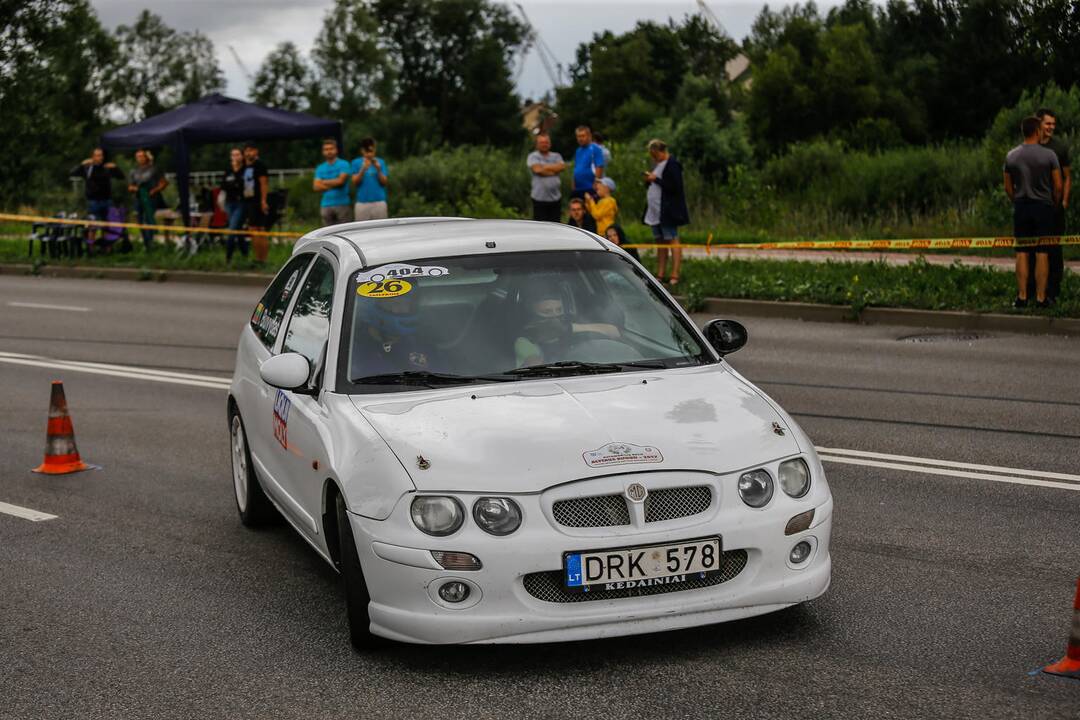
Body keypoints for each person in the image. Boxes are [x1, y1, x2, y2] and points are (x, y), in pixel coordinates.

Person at [1004, 116, 1062, 308]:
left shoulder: (1011, 156)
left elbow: (1007, 186)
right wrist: (1054, 202)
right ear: (1037, 131)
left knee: (1021, 252)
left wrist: (1017, 199)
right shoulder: (1049, 155)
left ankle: (1021, 297)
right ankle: (1040, 297)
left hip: (1021, 206)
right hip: (1043, 207)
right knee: (1042, 252)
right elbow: (1058, 185)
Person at [514, 285, 619, 367]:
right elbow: (536, 369)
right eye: (546, 312)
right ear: (532, 314)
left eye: (559, 310)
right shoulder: (525, 341)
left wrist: (569, 328)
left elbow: (614, 332)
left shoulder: (572, 324)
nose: (555, 315)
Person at [643, 139, 690, 287]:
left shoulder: (673, 165)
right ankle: (661, 273)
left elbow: (674, 187)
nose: (653, 158)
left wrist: (656, 179)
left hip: (668, 211)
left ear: (661, 151)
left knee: (672, 239)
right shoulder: (657, 165)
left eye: (655, 154)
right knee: (660, 242)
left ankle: (675, 273)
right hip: (655, 211)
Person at [1037, 108, 1071, 302]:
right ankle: (1035, 290)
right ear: (1039, 123)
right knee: (1034, 249)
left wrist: (1064, 201)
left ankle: (1053, 290)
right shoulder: (1031, 146)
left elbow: (1067, 177)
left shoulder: (1059, 148)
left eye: (1053, 124)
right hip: (1035, 205)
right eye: (1048, 123)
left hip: (1055, 206)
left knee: (1054, 250)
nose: (1051, 127)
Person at [70, 147, 124, 247]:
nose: (100, 158)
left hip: (106, 200)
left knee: (107, 226)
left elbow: (121, 176)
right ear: (93, 157)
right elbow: (72, 173)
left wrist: (116, 168)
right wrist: (81, 164)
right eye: (97, 155)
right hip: (93, 202)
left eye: (101, 155)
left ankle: (106, 248)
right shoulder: (87, 168)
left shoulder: (107, 168)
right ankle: (91, 248)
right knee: (93, 226)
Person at [127, 148, 167, 251]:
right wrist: (135, 189)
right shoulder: (134, 171)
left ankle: (150, 244)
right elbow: (130, 186)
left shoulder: (154, 169)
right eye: (138, 157)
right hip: (139, 198)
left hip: (151, 198)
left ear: (146, 157)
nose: (140, 158)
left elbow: (164, 183)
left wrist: (155, 190)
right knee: (140, 221)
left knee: (148, 219)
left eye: (141, 156)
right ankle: (146, 242)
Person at [242, 141, 270, 263]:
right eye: (247, 151)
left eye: (251, 150)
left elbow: (264, 184)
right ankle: (257, 257)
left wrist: (263, 201)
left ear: (256, 152)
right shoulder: (244, 167)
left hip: (257, 201)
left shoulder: (260, 165)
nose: (249, 153)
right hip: (248, 201)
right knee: (252, 229)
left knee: (260, 229)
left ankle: (262, 258)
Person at [527, 133, 565, 222]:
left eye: (546, 142)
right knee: (540, 228)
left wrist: (543, 167)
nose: (544, 144)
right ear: (537, 144)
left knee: (556, 226)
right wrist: (554, 170)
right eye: (541, 142)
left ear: (550, 143)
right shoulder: (533, 156)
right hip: (539, 199)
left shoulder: (557, 155)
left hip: (556, 199)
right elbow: (537, 170)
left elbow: (562, 167)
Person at [314, 138, 352, 226]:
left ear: (336, 150)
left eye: (331, 149)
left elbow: (341, 181)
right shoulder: (320, 167)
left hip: (342, 204)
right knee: (328, 235)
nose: (329, 151)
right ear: (323, 152)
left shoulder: (344, 164)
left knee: (344, 232)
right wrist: (335, 182)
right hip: (325, 204)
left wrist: (323, 182)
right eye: (326, 149)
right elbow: (316, 186)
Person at [351, 137, 389, 221]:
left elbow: (384, 182)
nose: (369, 154)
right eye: (367, 151)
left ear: (375, 150)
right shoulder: (355, 162)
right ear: (362, 150)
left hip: (379, 202)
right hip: (362, 203)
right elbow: (355, 182)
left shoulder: (381, 162)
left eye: (371, 151)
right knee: (361, 230)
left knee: (381, 229)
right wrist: (362, 169)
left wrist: (378, 169)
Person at [221, 147, 247, 262]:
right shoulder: (228, 170)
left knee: (232, 229)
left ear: (242, 156)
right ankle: (245, 253)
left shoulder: (246, 169)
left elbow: (244, 186)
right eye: (233, 155)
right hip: (229, 203)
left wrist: (234, 184)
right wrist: (235, 185)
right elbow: (223, 186)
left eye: (237, 154)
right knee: (238, 229)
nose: (235, 157)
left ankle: (228, 257)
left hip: (241, 203)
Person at [571, 125, 606, 200]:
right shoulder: (578, 151)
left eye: (583, 136)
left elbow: (599, 166)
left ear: (589, 136)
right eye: (578, 136)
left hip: (590, 187)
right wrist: (573, 184)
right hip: (578, 188)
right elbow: (576, 168)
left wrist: (596, 183)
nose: (580, 139)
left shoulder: (595, 149)